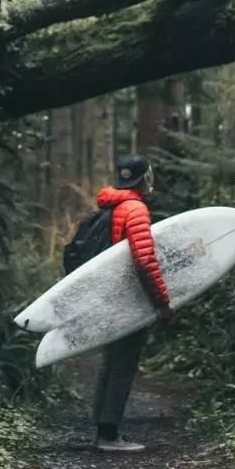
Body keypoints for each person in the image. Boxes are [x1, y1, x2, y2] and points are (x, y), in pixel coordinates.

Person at [90, 154, 174, 453]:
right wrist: (162, 301)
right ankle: (109, 435)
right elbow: (144, 259)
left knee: (110, 361)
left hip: (107, 294)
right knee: (123, 364)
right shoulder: (135, 209)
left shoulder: (111, 205)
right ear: (145, 177)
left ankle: (102, 428)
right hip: (126, 298)